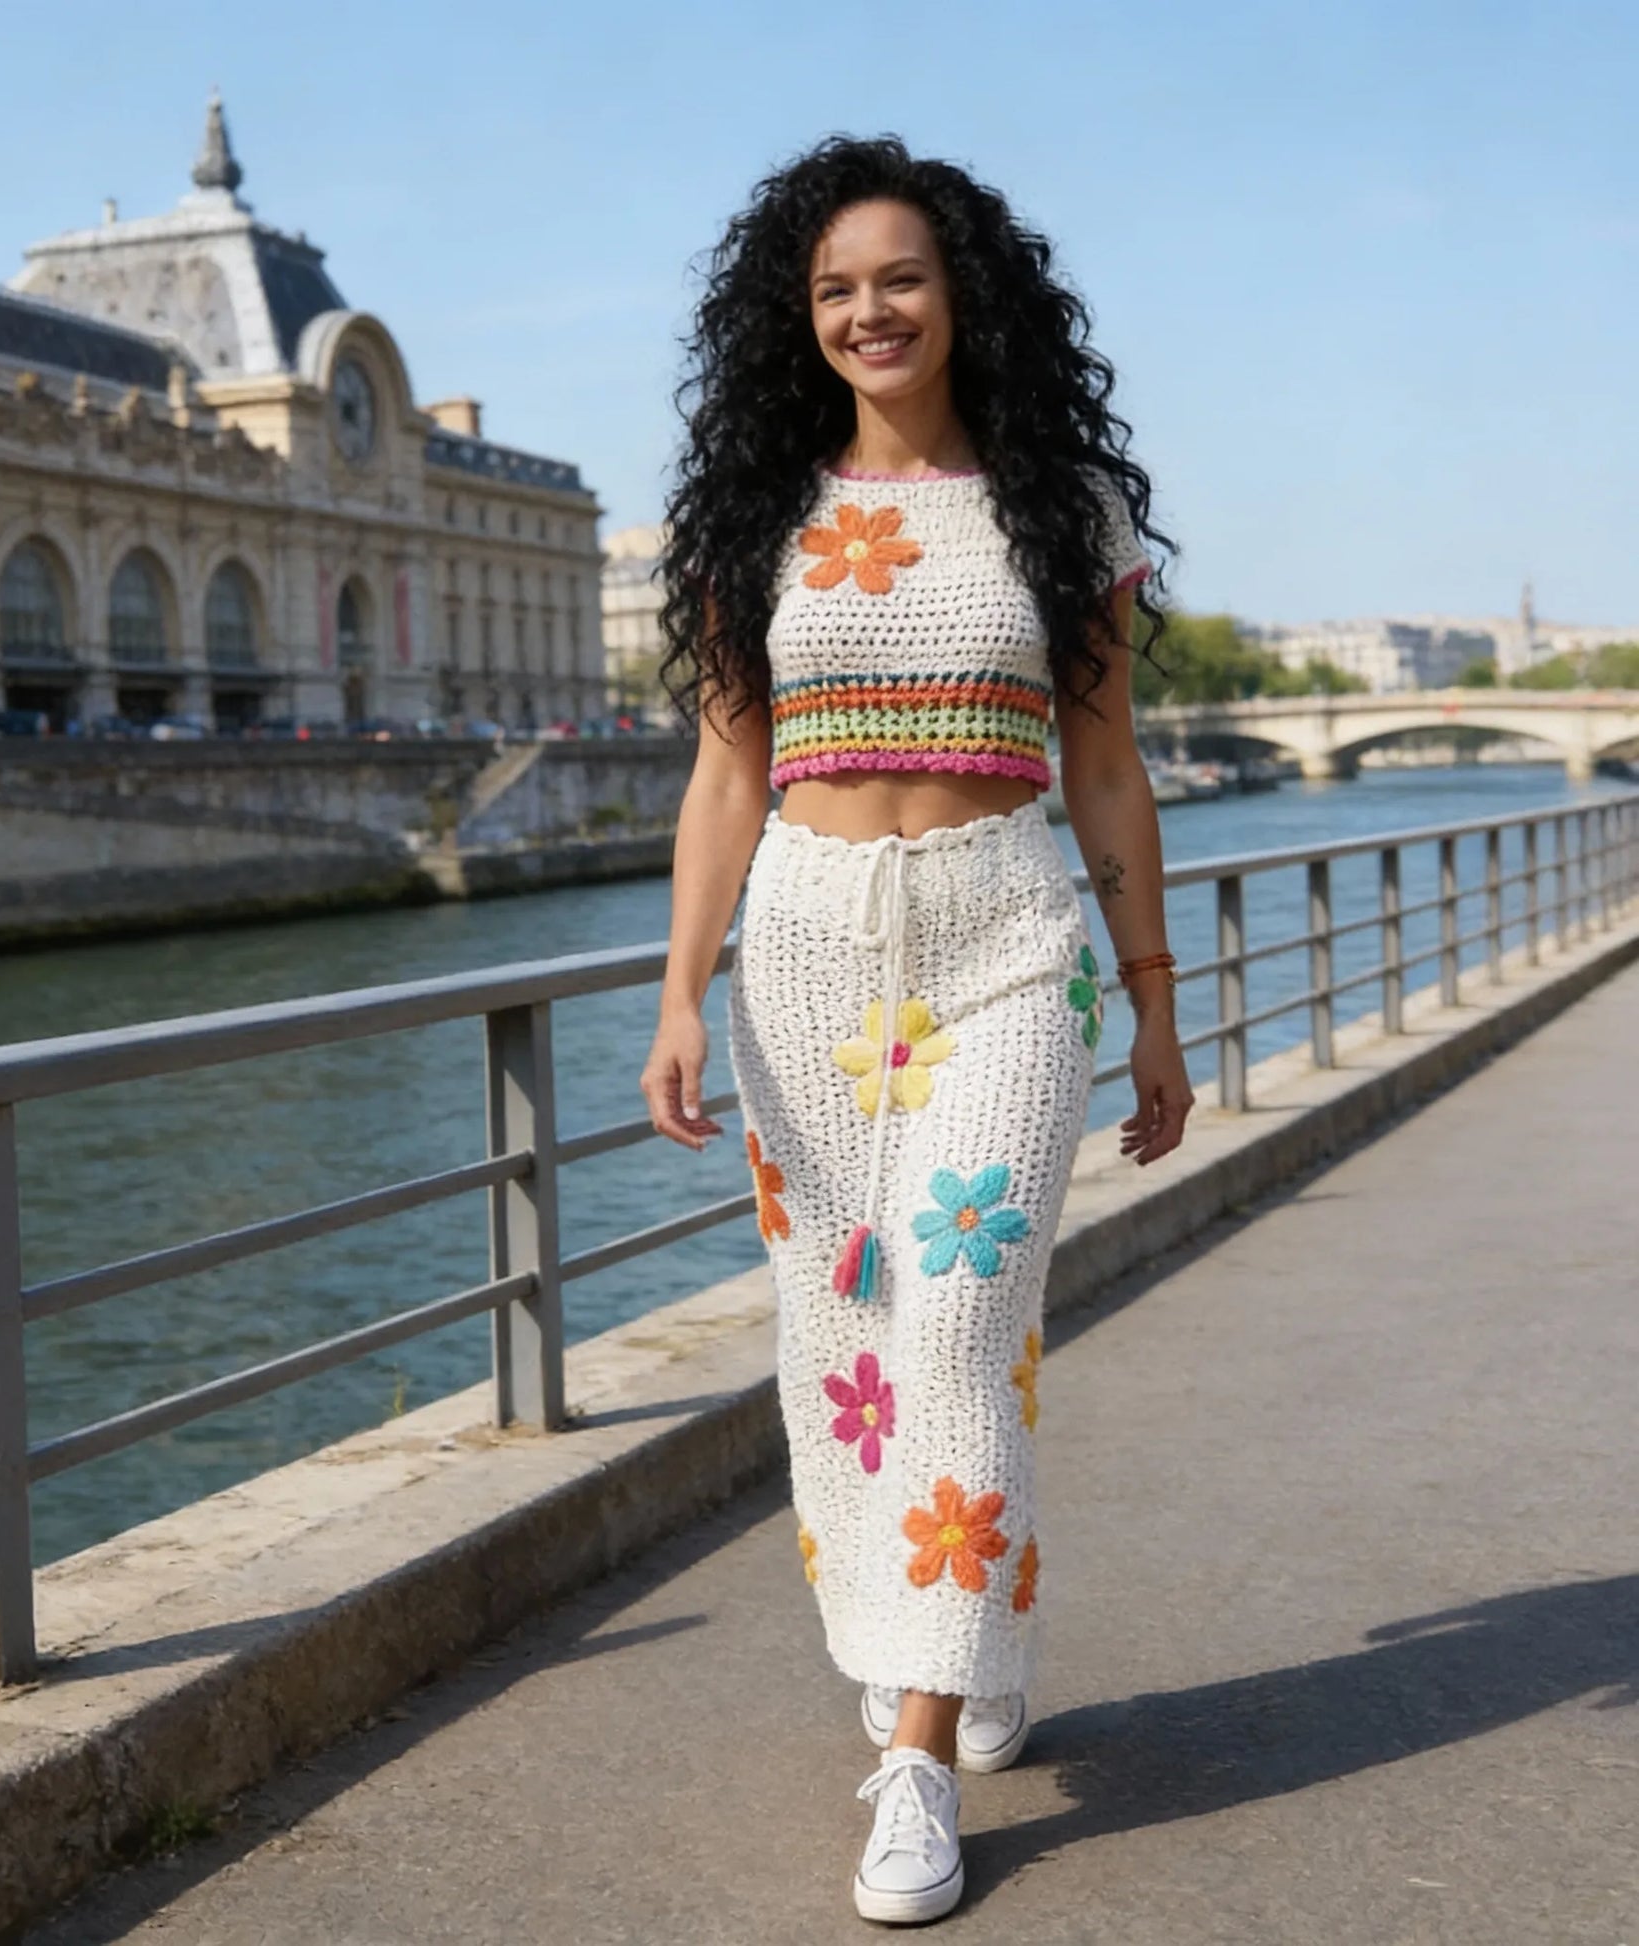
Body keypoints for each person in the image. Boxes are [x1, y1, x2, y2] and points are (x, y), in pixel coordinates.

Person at [638, 135, 1193, 1926]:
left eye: (897, 277)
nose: (866, 311)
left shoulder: (1060, 512)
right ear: (795, 322)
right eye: (831, 289)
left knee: (957, 1315)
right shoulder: (752, 514)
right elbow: (728, 774)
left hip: (1007, 943)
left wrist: (1160, 1011)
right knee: (849, 1334)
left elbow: (1101, 767)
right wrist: (674, 989)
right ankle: (961, 1620)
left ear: (960, 294)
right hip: (802, 959)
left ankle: (919, 1751)